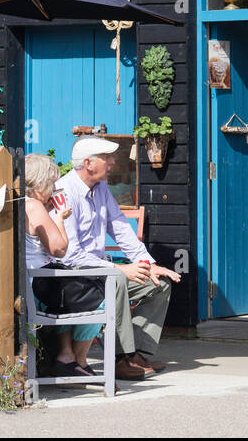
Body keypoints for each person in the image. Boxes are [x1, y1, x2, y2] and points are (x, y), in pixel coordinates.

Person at [56, 136, 181, 380]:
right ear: (88, 163)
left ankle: (136, 353)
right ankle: (119, 358)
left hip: (98, 270)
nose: (113, 162)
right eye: (107, 158)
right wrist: (118, 269)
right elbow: (70, 255)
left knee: (159, 284)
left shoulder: (101, 188)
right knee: (118, 281)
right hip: (73, 275)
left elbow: (121, 228)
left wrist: (149, 265)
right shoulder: (64, 191)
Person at [24, 152, 104, 377]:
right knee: (103, 296)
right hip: (41, 286)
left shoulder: (23, 202)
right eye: (51, 183)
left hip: (35, 282)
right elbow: (59, 248)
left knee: (76, 293)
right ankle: (77, 359)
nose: (53, 188)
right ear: (40, 183)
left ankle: (67, 357)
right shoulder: (34, 206)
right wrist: (58, 218)